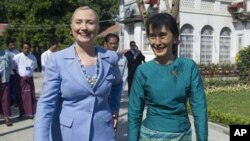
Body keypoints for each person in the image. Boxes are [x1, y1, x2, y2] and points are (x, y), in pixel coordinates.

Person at [34, 6, 123, 141]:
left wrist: (114, 108)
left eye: (90, 22)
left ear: (98, 28)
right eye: (78, 22)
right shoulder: (57, 60)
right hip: (68, 134)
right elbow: (46, 105)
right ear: (71, 27)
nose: (84, 27)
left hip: (103, 133)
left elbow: (117, 84)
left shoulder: (110, 58)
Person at [128, 13, 208, 141]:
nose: (157, 42)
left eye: (162, 35)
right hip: (150, 136)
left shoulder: (189, 67)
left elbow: (199, 107)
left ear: (175, 38)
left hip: (182, 135)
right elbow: (134, 113)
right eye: (152, 37)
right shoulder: (143, 71)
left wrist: (203, 138)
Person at [13, 41, 37, 119]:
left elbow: (34, 68)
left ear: (30, 48)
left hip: (29, 79)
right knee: (21, 97)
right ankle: (21, 114)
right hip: (21, 80)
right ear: (22, 48)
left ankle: (32, 113)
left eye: (28, 48)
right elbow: (14, 67)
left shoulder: (33, 57)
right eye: (25, 48)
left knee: (31, 96)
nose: (26, 49)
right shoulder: (17, 57)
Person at [4, 39, 19, 107]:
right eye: (11, 45)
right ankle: (9, 102)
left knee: (16, 87)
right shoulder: (4, 53)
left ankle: (16, 101)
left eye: (13, 45)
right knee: (8, 87)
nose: (12, 46)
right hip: (7, 72)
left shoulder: (17, 52)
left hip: (15, 72)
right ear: (7, 46)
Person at [0, 49, 13, 126]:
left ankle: (7, 118)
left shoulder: (7, 54)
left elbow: (11, 65)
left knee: (6, 99)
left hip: (5, 80)